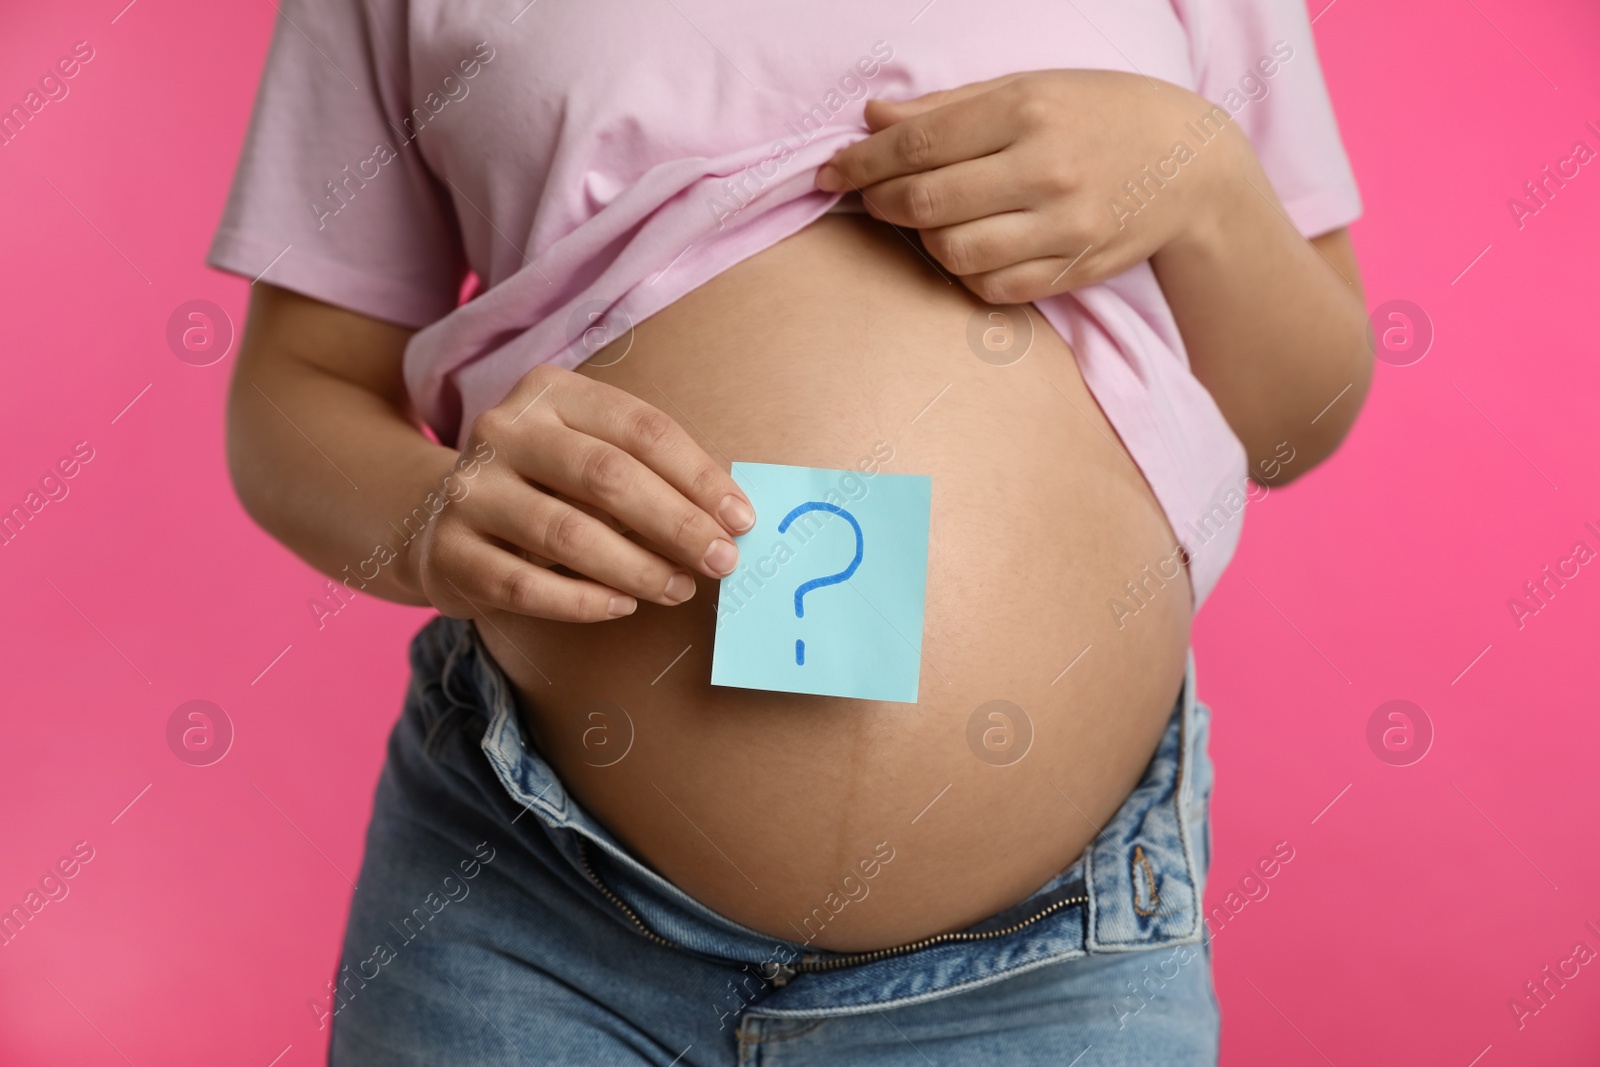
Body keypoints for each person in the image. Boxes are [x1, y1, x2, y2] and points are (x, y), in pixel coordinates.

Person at [211, 0, 1370, 1061]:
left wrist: (1201, 180)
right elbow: (295, 384)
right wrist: (425, 515)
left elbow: (1294, 424)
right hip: (526, 910)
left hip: (1052, 970)